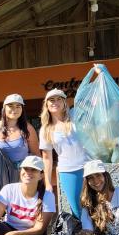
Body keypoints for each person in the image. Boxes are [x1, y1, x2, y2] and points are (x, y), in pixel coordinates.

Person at [39, 88, 87, 216]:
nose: (55, 102)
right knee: (76, 207)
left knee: (94, 202)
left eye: (58, 99)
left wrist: (99, 74)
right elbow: (47, 158)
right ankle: (82, 234)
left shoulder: (75, 116)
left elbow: (90, 101)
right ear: (46, 105)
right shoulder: (45, 129)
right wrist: (48, 183)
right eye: (51, 100)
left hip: (88, 166)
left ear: (64, 102)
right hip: (68, 170)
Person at [0, 93, 40, 167]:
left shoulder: (28, 128)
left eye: (18, 106)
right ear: (4, 108)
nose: (15, 109)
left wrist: (40, 173)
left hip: (21, 175)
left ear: (22, 109)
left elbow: (36, 154)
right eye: (11, 106)